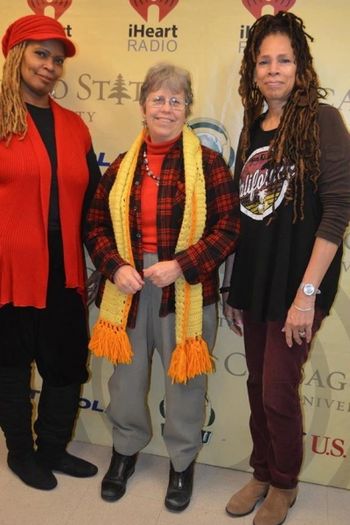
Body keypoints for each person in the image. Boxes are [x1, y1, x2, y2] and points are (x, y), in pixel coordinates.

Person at [85, 62, 240, 511]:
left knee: (186, 383)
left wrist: (182, 264)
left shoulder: (208, 164)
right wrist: (115, 267)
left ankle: (182, 462)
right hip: (128, 289)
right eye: (158, 99)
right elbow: (94, 226)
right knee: (127, 381)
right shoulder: (120, 167)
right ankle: (125, 451)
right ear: (143, 107)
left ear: (187, 108)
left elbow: (229, 228)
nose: (167, 108)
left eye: (176, 100)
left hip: (186, 287)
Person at [222, 11, 350, 525]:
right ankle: (261, 469)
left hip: (299, 284)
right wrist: (233, 284)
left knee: (277, 389)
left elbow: (338, 209)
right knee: (257, 385)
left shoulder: (324, 121)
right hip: (255, 279)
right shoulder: (253, 126)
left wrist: (307, 295)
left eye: (284, 60)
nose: (274, 69)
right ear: (253, 70)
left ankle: (285, 483)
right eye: (264, 60)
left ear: (301, 66)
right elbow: (240, 211)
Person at [0, 14, 101, 491]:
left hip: (64, 270)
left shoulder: (75, 126)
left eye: (57, 60)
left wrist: (101, 259)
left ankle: (54, 448)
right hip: (9, 270)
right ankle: (21, 454)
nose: (50, 66)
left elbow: (93, 203)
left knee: (65, 364)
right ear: (16, 54)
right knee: (11, 367)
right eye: (41, 54)